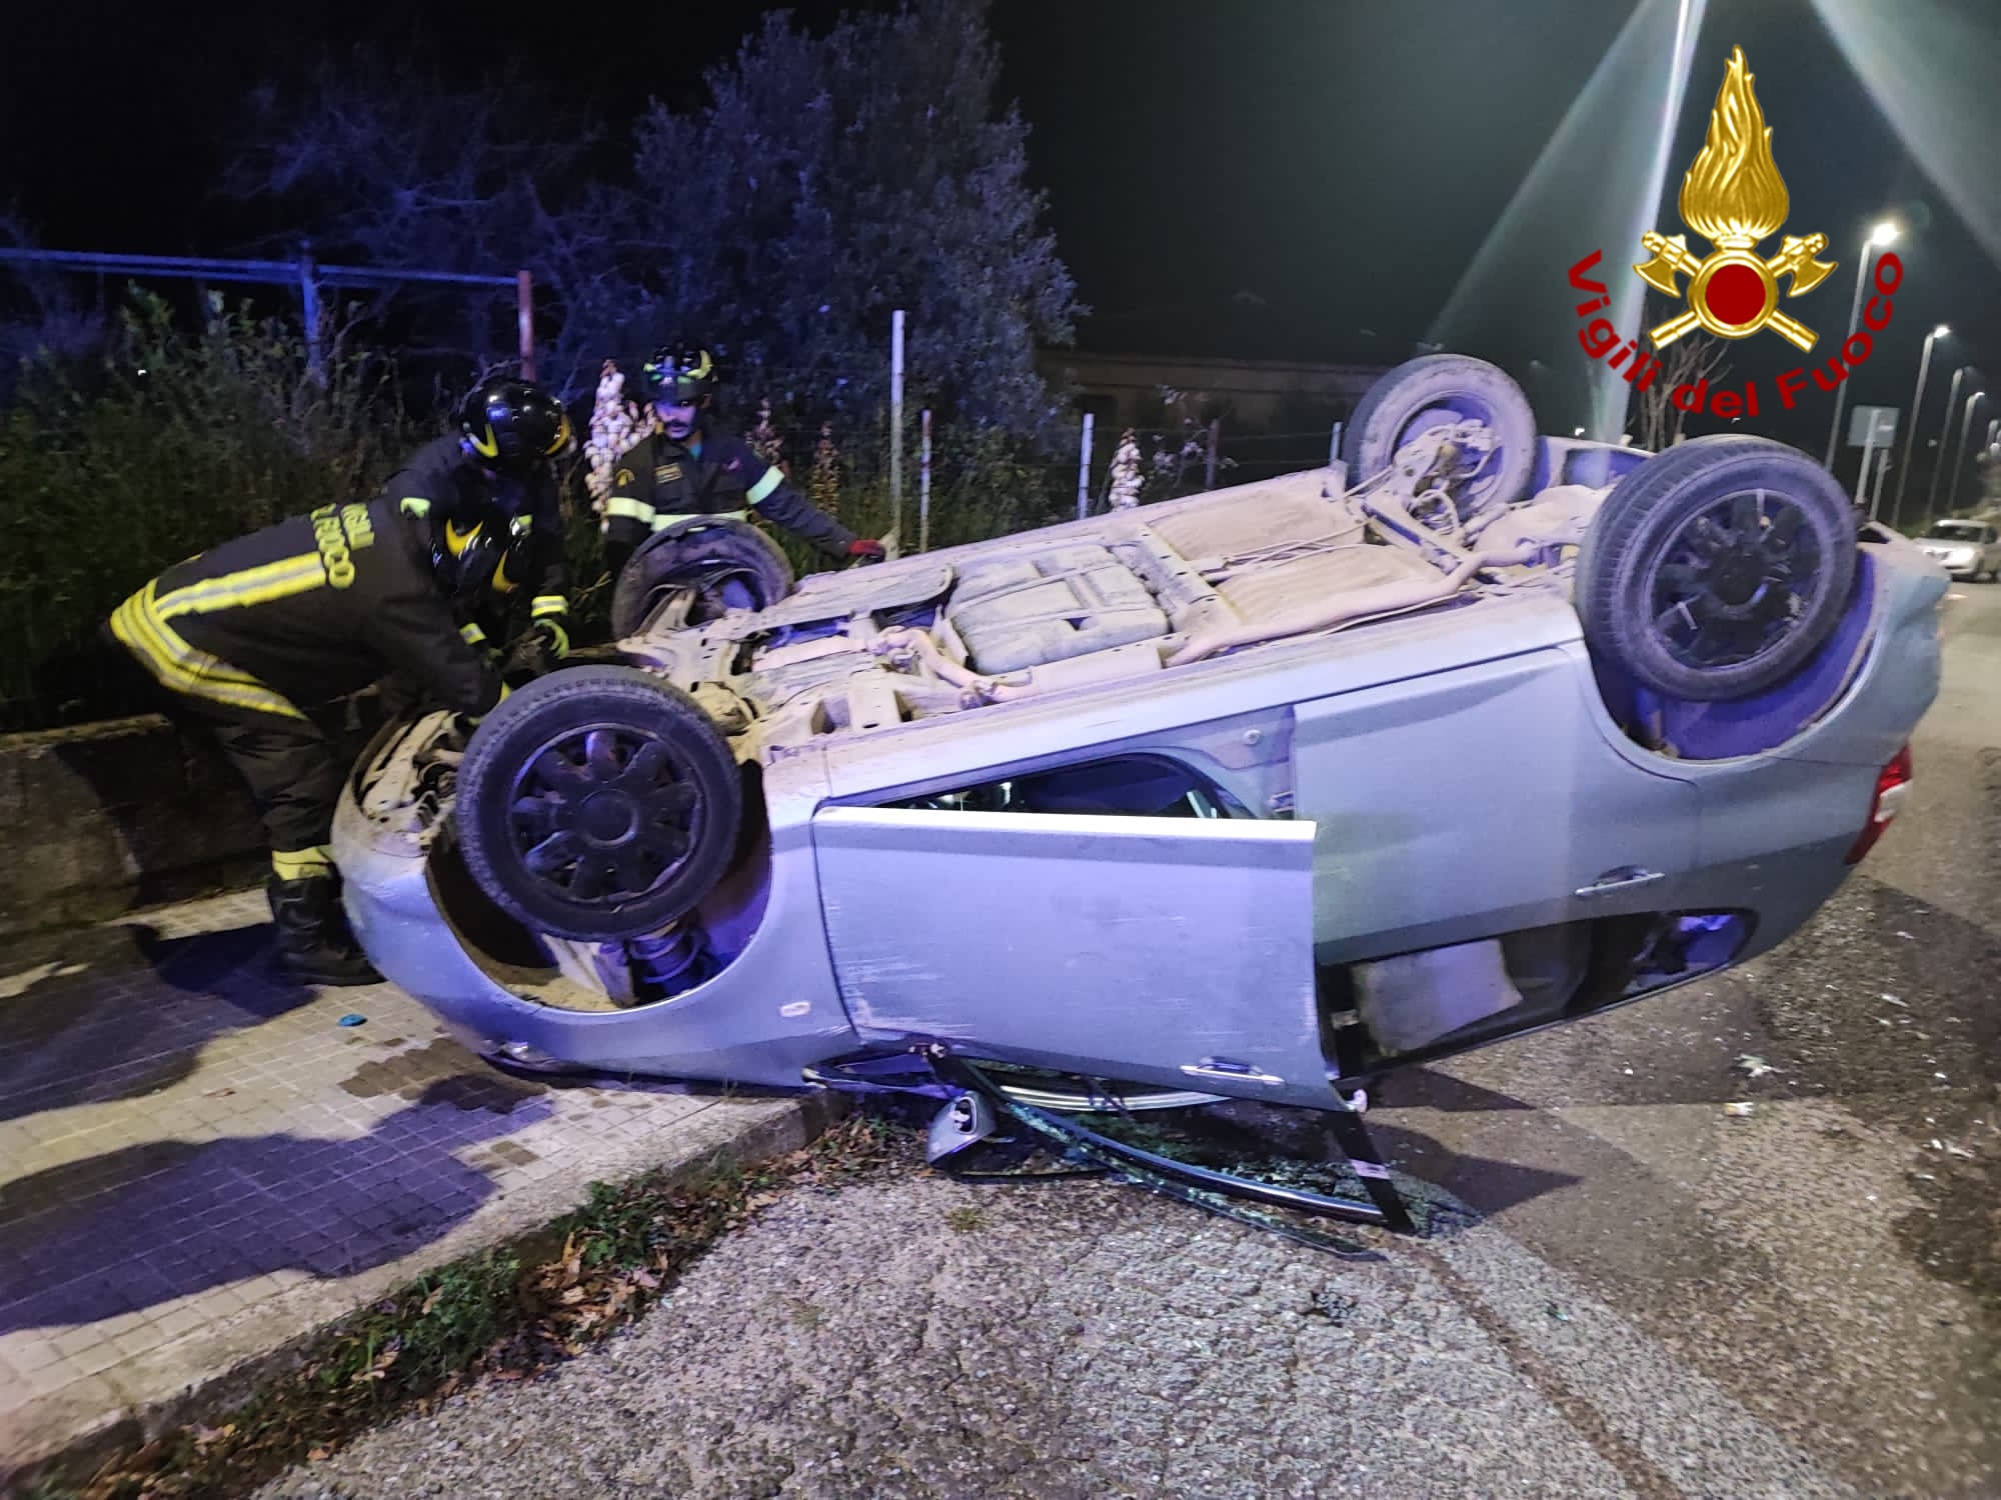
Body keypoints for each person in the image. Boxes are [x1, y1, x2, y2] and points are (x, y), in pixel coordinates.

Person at [102, 485, 520, 987]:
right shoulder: (395, 593)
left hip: (162, 616)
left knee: (292, 767)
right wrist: (537, 713)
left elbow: (441, 628)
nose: (475, 601)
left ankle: (320, 912)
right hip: (173, 645)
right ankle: (308, 943)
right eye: (479, 588)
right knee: (302, 780)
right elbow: (468, 685)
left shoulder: (394, 533)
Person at [599, 342, 885, 584]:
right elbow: (622, 551)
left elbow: (784, 505)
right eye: (662, 404)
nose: (670, 415)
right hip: (670, 597)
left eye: (682, 405)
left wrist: (844, 543)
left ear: (704, 401)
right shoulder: (638, 464)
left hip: (737, 586)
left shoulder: (732, 453)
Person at [383, 376, 577, 679]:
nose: (543, 467)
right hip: (417, 630)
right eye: (537, 458)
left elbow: (547, 547)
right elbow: (411, 580)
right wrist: (468, 638)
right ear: (511, 454)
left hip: (488, 614)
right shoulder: (425, 484)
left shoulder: (530, 474)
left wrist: (550, 620)